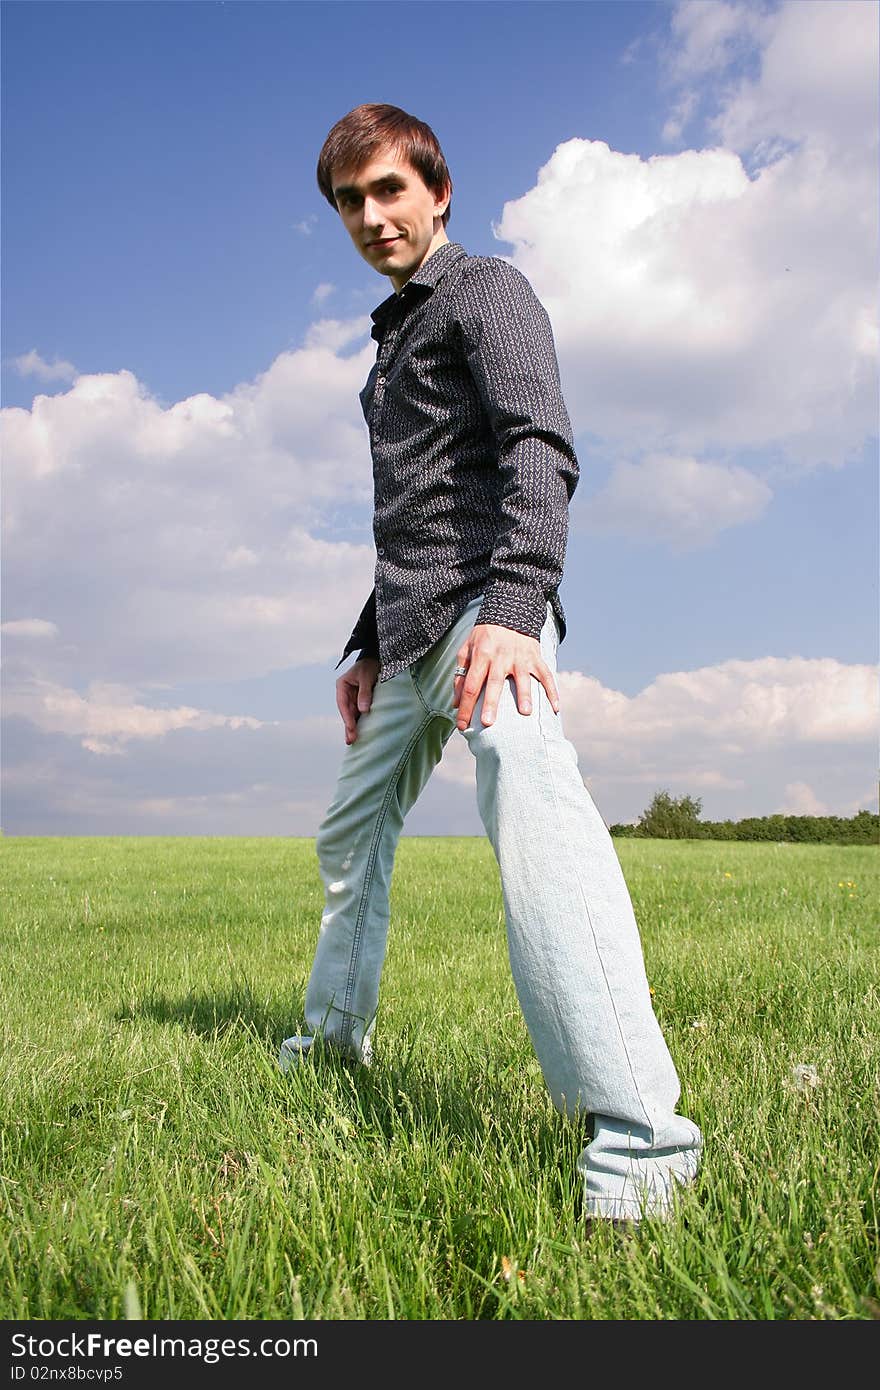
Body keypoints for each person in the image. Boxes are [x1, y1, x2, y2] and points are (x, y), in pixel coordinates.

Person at [279, 103, 702, 1228]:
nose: (371, 216)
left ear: (437, 190)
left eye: (388, 191)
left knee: (526, 783)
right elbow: (414, 516)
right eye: (349, 201)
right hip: (408, 630)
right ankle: (330, 1042)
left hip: (484, 614)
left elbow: (539, 443)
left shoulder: (487, 291)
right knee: (347, 835)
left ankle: (641, 1143)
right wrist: (366, 646)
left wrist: (517, 604)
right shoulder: (386, 349)